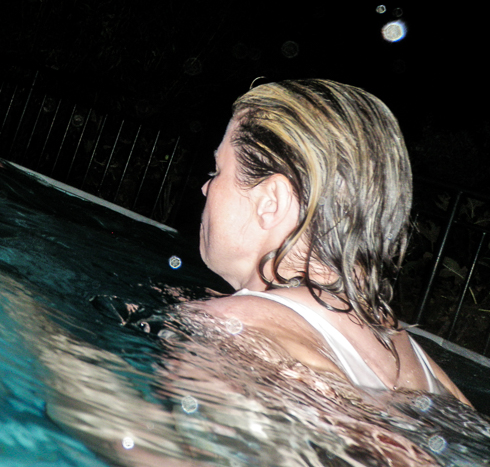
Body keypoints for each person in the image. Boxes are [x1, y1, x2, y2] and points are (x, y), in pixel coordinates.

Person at [191, 79, 470, 402]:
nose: (205, 188)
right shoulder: (410, 354)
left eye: (217, 171)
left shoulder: (229, 326)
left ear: (271, 202)